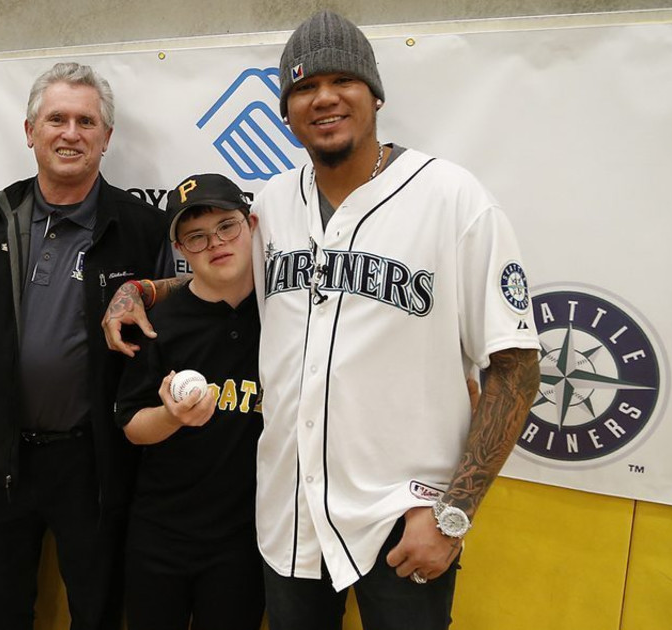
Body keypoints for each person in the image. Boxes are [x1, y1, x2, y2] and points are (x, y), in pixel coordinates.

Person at [103, 11, 541, 629]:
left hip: (406, 516)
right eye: (305, 87)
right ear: (286, 111)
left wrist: (453, 514)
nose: (324, 97)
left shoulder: (454, 200)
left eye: (343, 80)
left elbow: (516, 367)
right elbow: (217, 271)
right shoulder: (274, 203)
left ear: (376, 93)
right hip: (289, 514)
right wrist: (138, 290)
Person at [0, 62, 172, 630]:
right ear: (29, 131)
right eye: (56, 119)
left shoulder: (142, 227)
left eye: (86, 121)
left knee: (98, 610)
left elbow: (193, 300)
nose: (71, 133)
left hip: (94, 462)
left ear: (106, 138)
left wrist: (144, 288)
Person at [114, 173, 265, 630]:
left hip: (246, 539)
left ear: (251, 225)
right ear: (179, 249)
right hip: (162, 532)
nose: (215, 243)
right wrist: (170, 416)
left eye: (226, 227)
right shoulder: (160, 322)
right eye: (195, 237)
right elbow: (131, 424)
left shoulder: (286, 314)